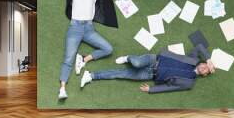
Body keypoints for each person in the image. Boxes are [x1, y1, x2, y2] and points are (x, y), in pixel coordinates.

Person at [55, 0, 115, 99]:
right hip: (75, 28)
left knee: (108, 49)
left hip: (89, 29)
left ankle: (83, 59)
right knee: (68, 59)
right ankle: (62, 89)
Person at [80, 44, 215, 93]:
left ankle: (91, 75)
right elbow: (199, 47)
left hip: (150, 74)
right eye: (205, 66)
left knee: (122, 74)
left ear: (204, 75)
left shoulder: (189, 83)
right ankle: (128, 58)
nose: (204, 68)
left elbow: (170, 88)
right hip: (154, 59)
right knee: (137, 63)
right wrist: (209, 59)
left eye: (207, 71)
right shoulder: (193, 59)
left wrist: (151, 89)